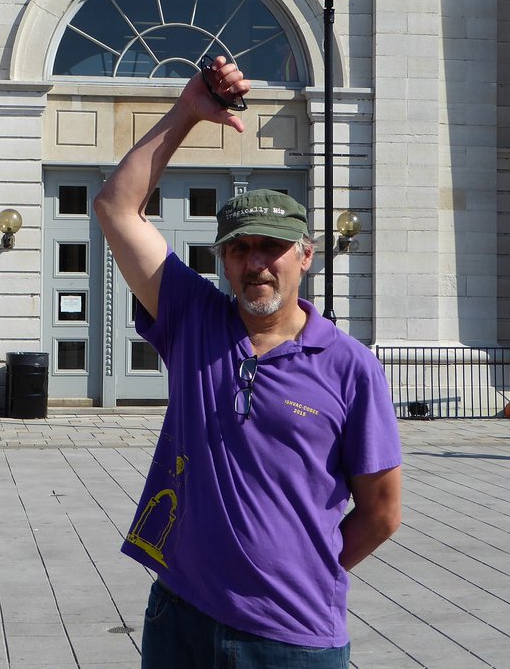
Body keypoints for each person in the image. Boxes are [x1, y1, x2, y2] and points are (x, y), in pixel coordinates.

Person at [93, 56, 403, 666]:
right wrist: (186, 112)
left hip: (291, 635)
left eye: (272, 247)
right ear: (223, 261)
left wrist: (299, 567)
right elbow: (115, 209)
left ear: (306, 256)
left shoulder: (348, 366)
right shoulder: (194, 321)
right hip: (180, 615)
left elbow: (383, 512)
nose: (256, 262)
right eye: (239, 249)